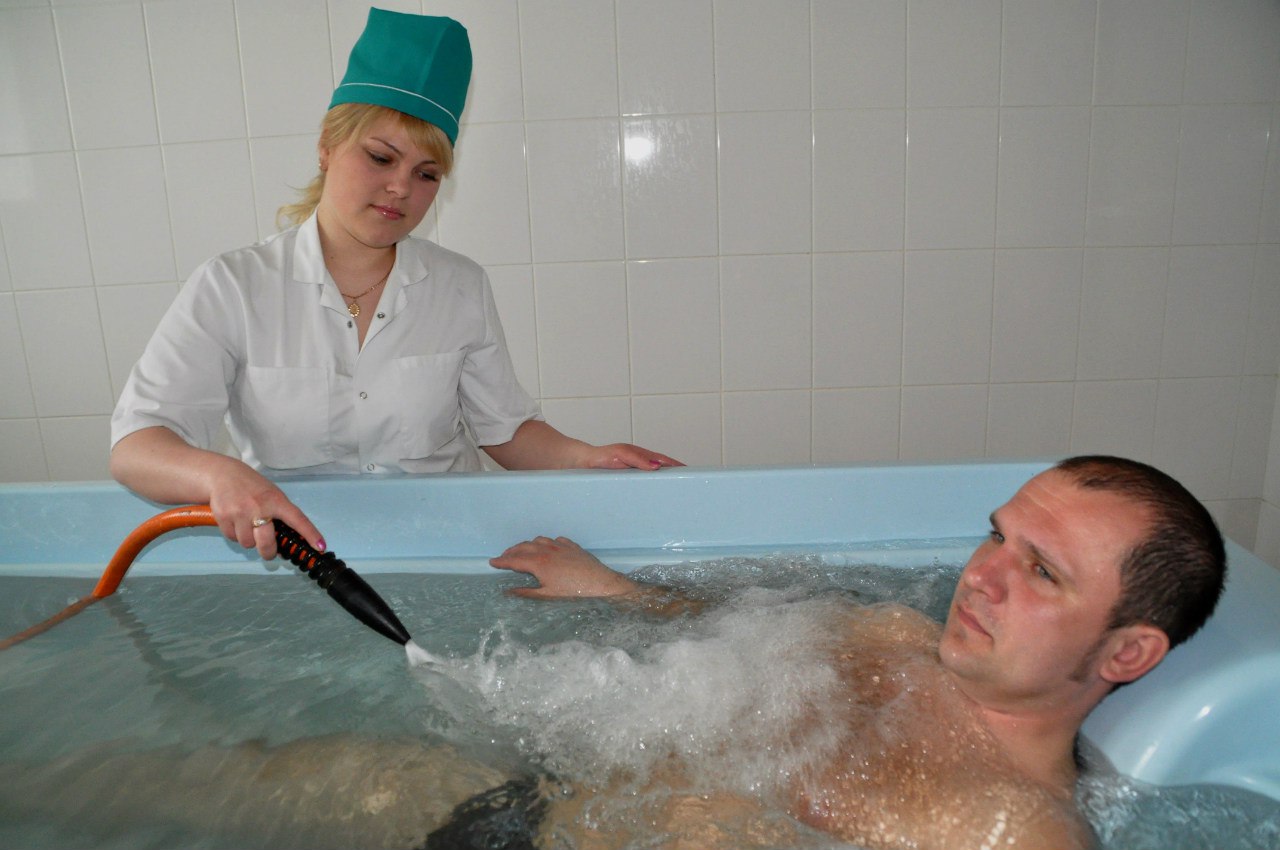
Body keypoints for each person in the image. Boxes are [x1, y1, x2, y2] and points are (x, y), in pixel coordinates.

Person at [109, 9, 680, 563]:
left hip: (451, 548)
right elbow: (138, 445)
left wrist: (587, 458)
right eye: (381, 158)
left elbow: (505, 432)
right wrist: (221, 473)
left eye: (426, 174)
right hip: (305, 561)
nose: (401, 188)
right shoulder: (234, 286)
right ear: (326, 146)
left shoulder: (459, 285)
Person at [488, 455, 1227, 849]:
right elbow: (740, 622)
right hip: (534, 803)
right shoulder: (898, 635)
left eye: (1041, 572)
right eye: (998, 536)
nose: (981, 575)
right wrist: (612, 588)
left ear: (1127, 654)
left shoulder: (1014, 832)